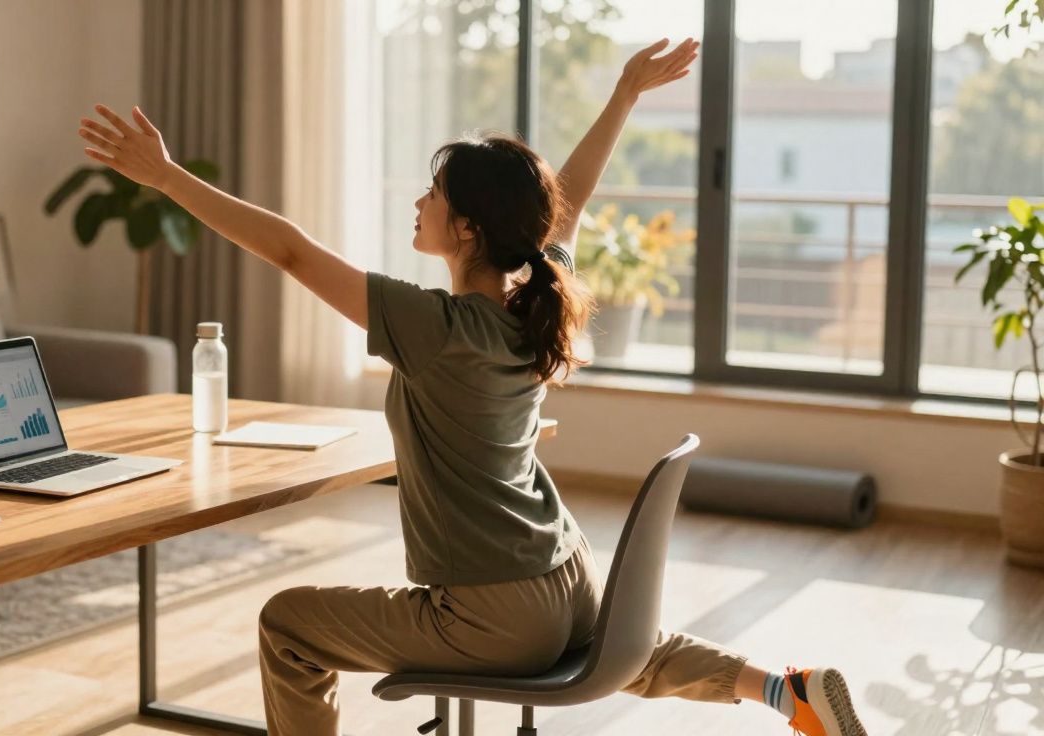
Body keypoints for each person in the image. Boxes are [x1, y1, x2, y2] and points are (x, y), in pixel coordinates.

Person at [77, 36, 866, 736]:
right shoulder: (536, 302)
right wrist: (623, 94)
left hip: (494, 611)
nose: (418, 201)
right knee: (626, 655)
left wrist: (168, 175)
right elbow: (574, 198)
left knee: (287, 623)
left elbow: (289, 250)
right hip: (568, 581)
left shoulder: (437, 328)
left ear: (466, 230)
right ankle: (784, 690)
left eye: (434, 194)